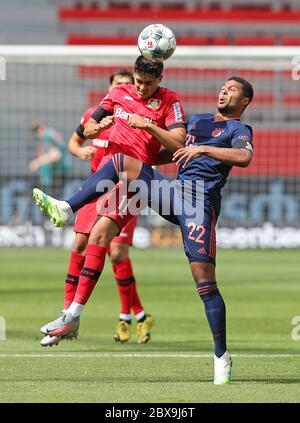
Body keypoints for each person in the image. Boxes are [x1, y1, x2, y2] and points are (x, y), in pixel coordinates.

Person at [33, 75, 253, 385]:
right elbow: (171, 152)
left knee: (205, 283)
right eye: (223, 87)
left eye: (232, 90)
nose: (223, 91)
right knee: (121, 164)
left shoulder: (238, 130)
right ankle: (66, 209)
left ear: (243, 102)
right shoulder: (198, 121)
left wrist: (203, 150)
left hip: (199, 205)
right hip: (174, 191)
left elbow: (244, 157)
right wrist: (144, 149)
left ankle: (221, 356)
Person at [34, 55, 187, 346]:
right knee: (93, 240)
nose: (141, 88)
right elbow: (86, 131)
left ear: (160, 80)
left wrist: (148, 126)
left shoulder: (170, 100)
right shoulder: (117, 94)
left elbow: (178, 143)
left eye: (148, 84)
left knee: (108, 244)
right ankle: (71, 316)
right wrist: (100, 126)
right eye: (138, 82)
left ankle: (66, 207)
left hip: (135, 179)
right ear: (133, 74)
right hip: (104, 180)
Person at [28, 118, 71, 194]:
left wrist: (37, 163)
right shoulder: (43, 138)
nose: (35, 133)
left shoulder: (48, 135)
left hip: (59, 175)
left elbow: (55, 155)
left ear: (41, 127)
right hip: (54, 177)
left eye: (36, 129)